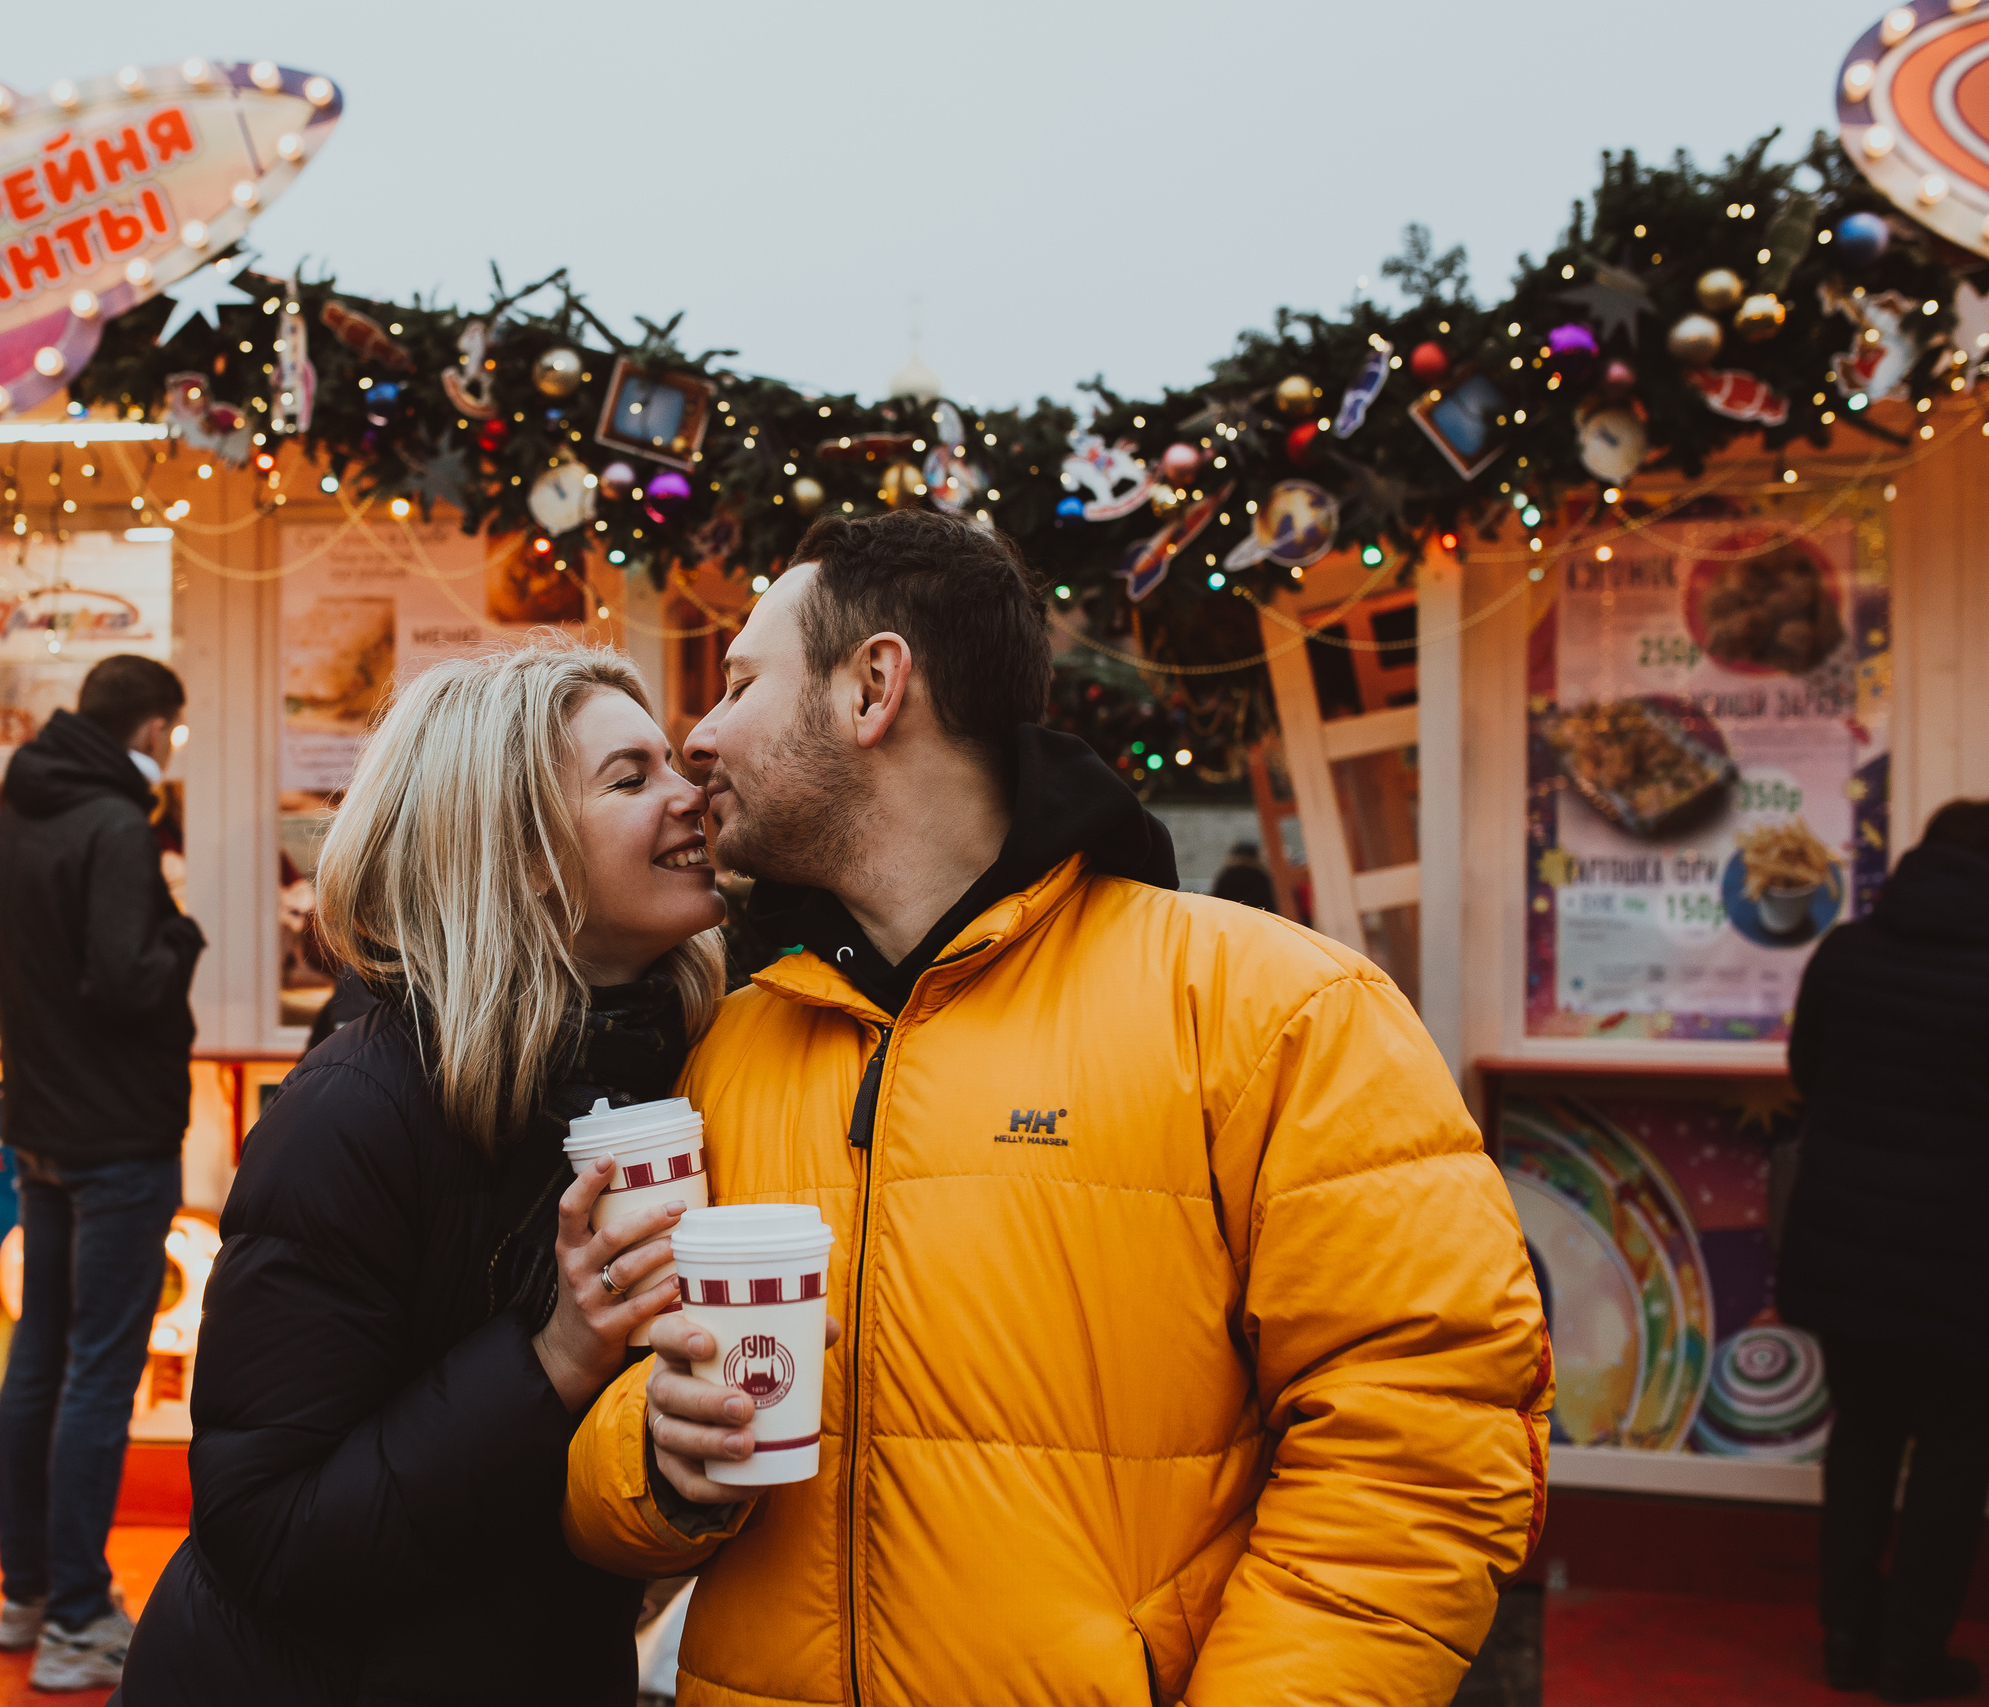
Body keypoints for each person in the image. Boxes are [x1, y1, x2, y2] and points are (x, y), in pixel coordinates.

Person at [562, 509, 1550, 1706]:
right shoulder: (730, 1043)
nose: (699, 737)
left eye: (736, 685)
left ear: (873, 687)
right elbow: (620, 1442)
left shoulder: (1273, 1007)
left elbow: (1422, 1449)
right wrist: (655, 1465)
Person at [119, 643, 729, 1705]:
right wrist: (549, 1362)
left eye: (673, 763)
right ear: (519, 851)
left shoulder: (665, 1071)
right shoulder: (354, 1111)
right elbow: (267, 1535)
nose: (694, 798)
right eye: (632, 780)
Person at [0, 656, 207, 1693]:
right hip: (118, 1137)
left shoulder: (23, 811)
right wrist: (184, 935)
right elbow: (127, 979)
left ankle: (27, 1591)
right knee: (98, 1375)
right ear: (151, 726)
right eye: (173, 733)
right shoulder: (115, 824)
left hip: (40, 1128)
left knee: (39, 1360)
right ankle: (75, 1620)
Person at [1779, 798, 1989, 1703]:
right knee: (1952, 1456)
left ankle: (1847, 1640)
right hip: (1964, 1267)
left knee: (1859, 1438)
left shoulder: (1847, 952)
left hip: (1849, 1254)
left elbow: (1805, 1070)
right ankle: (1911, 1658)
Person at [1209, 836, 1279, 911]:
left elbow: (1216, 899)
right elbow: (1270, 903)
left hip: (1228, 916)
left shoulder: (1227, 874)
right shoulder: (1260, 876)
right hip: (1256, 918)